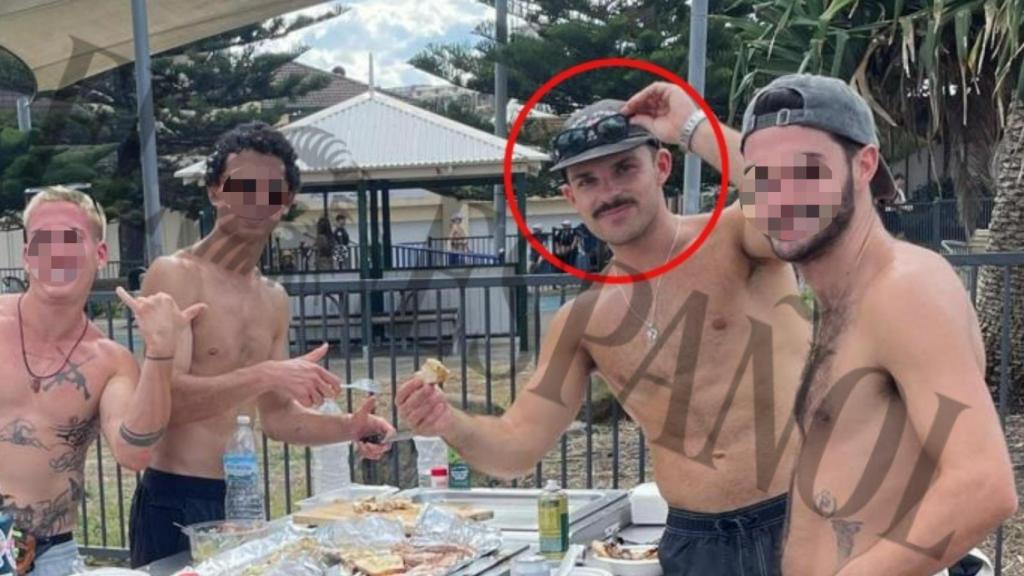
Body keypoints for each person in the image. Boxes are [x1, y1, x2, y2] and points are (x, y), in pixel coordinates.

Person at [397, 97, 813, 575]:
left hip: (805, 517)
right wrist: (449, 422)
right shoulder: (584, 321)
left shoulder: (738, 236)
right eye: (587, 181)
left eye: (623, 169)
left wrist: (693, 125)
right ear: (571, 198)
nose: (608, 192)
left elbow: (801, 201)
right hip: (695, 545)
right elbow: (518, 444)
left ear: (661, 166)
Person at [735, 75, 1016, 574]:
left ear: (864, 165)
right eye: (763, 177)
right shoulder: (846, 297)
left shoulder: (904, 289)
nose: (779, 196)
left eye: (804, 172)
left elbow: (982, 486)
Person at [128, 122, 394, 567]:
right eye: (242, 187)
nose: (255, 201)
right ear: (216, 191)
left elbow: (276, 417)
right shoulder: (176, 274)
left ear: (285, 203)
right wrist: (267, 373)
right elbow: (164, 405)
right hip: (175, 500)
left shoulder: (272, 298)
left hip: (244, 508)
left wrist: (349, 427)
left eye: (271, 190)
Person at [0, 186, 203, 575]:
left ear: (99, 254)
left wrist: (160, 353)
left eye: (70, 241)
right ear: (27, 256)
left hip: (49, 554)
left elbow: (134, 453)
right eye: (43, 241)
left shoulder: (109, 361)